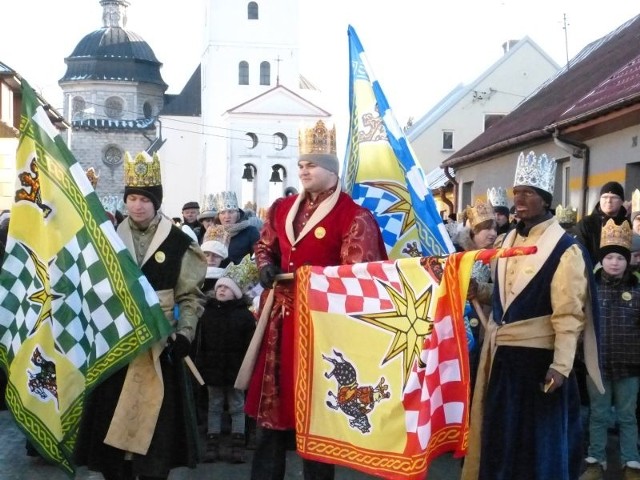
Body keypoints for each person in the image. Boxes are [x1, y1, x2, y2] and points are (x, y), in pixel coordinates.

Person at [245, 119, 388, 480]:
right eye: (301, 164)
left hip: (322, 333)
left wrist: (312, 283)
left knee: (319, 420)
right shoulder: (282, 208)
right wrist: (265, 264)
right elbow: (264, 246)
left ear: (331, 169)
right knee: (270, 421)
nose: (303, 169)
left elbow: (358, 277)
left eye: (311, 164)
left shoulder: (354, 216)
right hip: (279, 326)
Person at [461, 150, 603, 480]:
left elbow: (569, 315)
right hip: (500, 363)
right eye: (516, 193)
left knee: (534, 452)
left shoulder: (564, 248)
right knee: (500, 446)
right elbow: (500, 293)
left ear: (544, 198)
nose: (519, 200)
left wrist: (562, 365)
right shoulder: (507, 238)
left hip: (538, 365)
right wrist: (477, 290)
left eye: (528, 193)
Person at [74, 151, 207, 480]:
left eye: (145, 199)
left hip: (159, 347)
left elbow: (189, 296)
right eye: (132, 198)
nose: (137, 205)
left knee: (155, 442)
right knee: (112, 441)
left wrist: (185, 334)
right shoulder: (107, 239)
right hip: (116, 348)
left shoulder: (179, 242)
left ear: (156, 202)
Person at [580, 219, 640, 480]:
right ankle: (595, 461)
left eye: (620, 257)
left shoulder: (637, 289)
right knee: (599, 413)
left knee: (628, 416)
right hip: (597, 364)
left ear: (628, 261)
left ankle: (631, 462)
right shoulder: (589, 288)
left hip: (630, 365)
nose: (614, 262)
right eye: (609, 257)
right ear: (601, 260)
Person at [193, 255, 257, 464]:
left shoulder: (244, 317)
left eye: (226, 288)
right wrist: (200, 365)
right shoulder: (207, 314)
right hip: (212, 369)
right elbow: (201, 343)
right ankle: (213, 442)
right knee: (214, 405)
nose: (221, 290)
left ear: (236, 293)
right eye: (219, 287)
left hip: (236, 369)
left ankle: (237, 444)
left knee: (237, 406)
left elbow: (249, 346)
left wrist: (248, 369)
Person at [574, 181, 628, 267]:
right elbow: (579, 252)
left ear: (622, 201)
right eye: (605, 197)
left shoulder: (627, 224)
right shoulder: (586, 223)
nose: (609, 201)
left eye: (614, 197)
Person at [213, 191, 260, 266]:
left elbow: (258, 257)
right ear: (218, 216)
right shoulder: (213, 233)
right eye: (222, 213)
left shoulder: (251, 232)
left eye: (231, 212)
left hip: (242, 276)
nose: (227, 216)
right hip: (214, 275)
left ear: (238, 214)